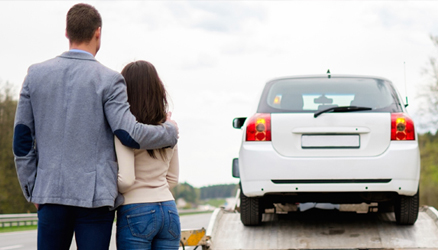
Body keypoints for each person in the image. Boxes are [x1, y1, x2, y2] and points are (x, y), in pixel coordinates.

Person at [12, 3, 178, 250]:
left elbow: (22, 139)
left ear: (66, 32)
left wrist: (32, 188)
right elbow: (128, 133)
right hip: (95, 199)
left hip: (49, 193)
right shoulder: (109, 80)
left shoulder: (35, 75)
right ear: (98, 32)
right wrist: (169, 132)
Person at [116, 60, 180, 250]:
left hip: (135, 211)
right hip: (169, 210)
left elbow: (127, 180)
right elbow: (173, 178)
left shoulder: (124, 130)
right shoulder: (170, 128)